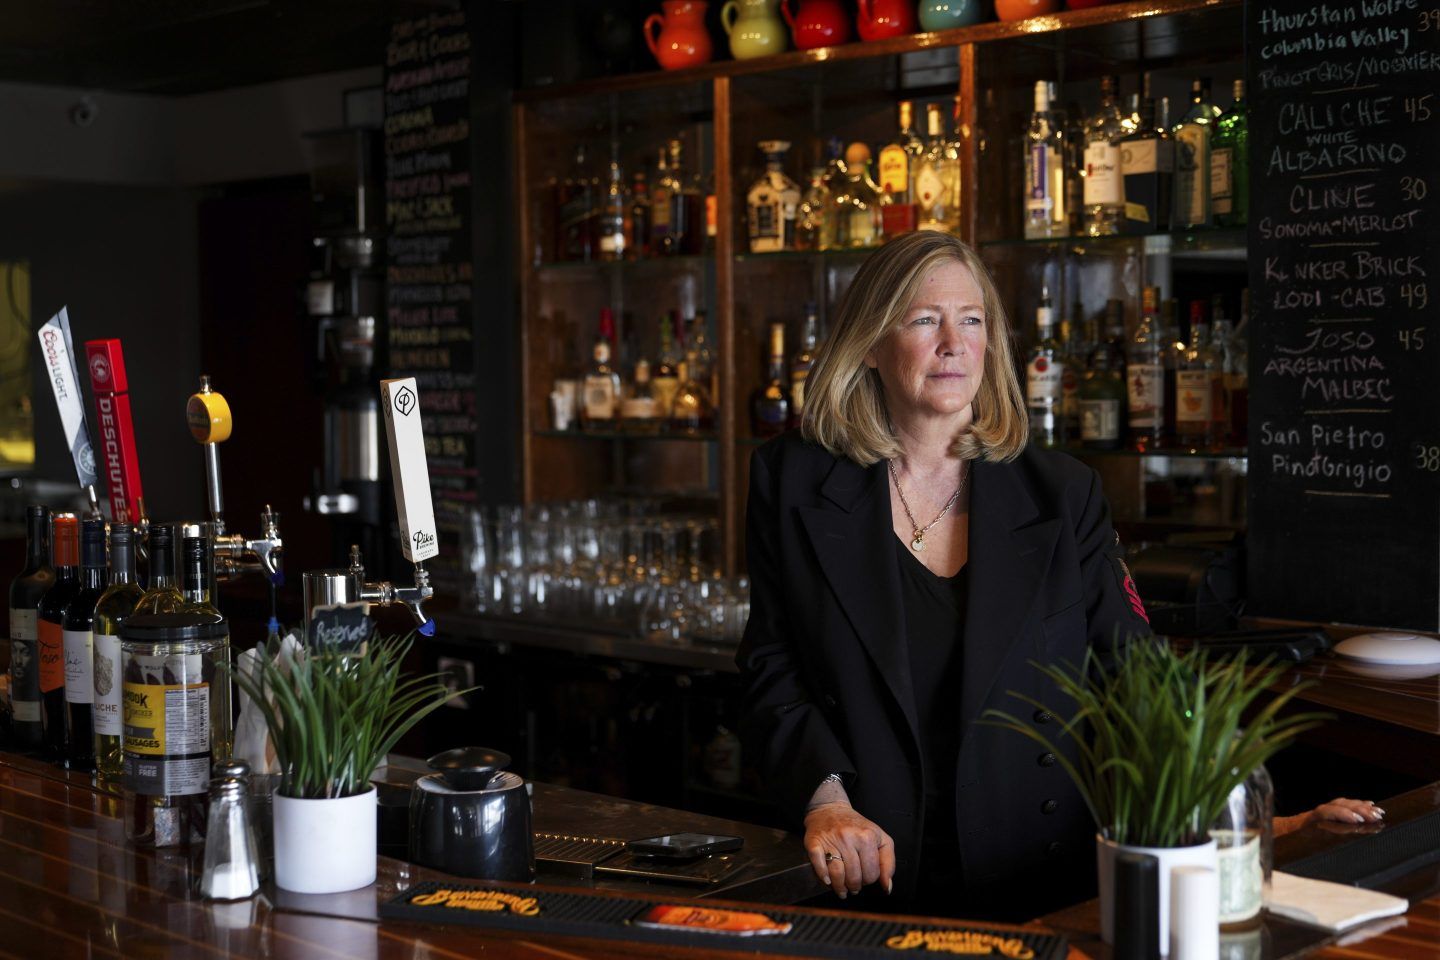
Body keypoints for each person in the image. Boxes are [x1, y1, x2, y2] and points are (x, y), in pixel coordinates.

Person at [735, 231, 1381, 921]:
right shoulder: (795, 480)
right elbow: (774, 665)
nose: (954, 342)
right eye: (924, 319)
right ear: (868, 343)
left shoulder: (1060, 491)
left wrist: (1242, 819)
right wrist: (825, 802)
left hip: (1039, 872)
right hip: (871, 866)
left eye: (973, 319)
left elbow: (1134, 676)